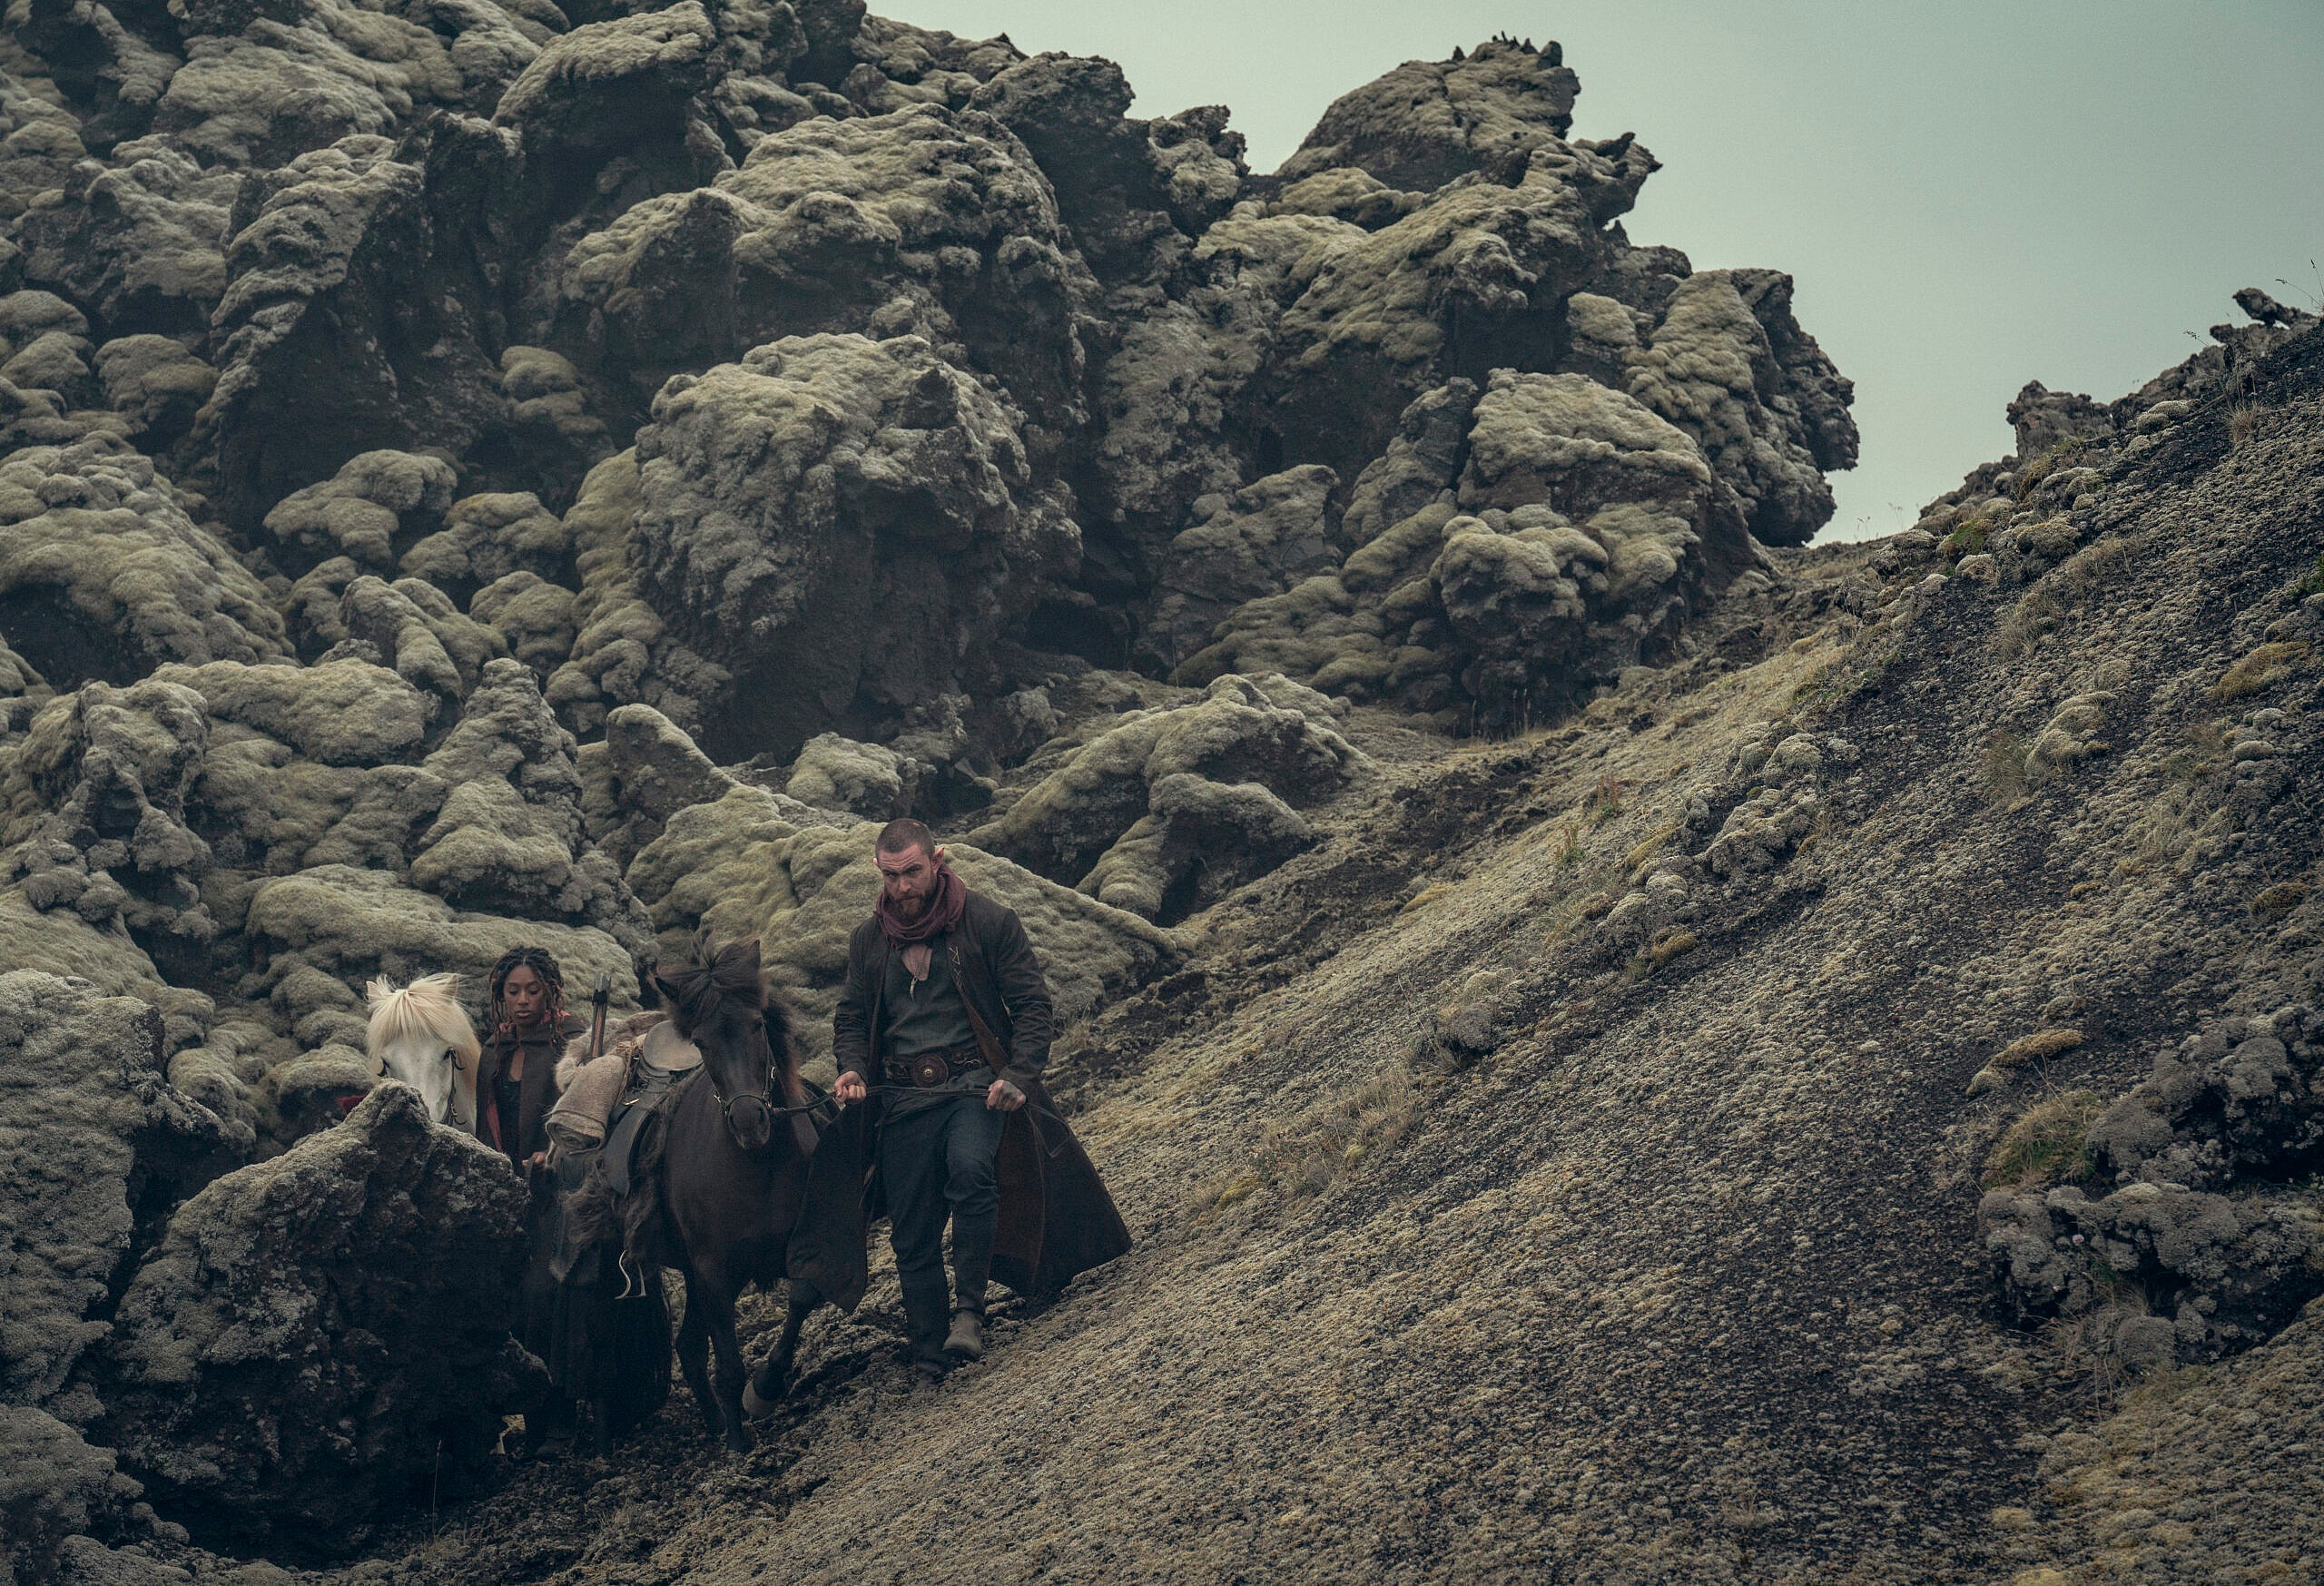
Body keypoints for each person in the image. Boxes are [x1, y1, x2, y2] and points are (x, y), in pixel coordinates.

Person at [833, 819, 1132, 1383]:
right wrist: (851, 1068)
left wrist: (1019, 1073)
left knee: (972, 1174)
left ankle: (969, 1312)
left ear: (938, 859)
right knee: (910, 1227)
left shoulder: (989, 921)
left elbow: (1033, 1005)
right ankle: (927, 1347)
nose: (903, 887)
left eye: (913, 872)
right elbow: (851, 1018)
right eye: (891, 876)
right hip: (902, 1100)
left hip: (975, 1088)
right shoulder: (867, 941)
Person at [474, 946, 588, 1454]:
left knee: (549, 1299)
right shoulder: (493, 1052)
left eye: (532, 990)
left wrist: (552, 1154)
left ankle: (561, 1420)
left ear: (551, 991)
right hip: (511, 1200)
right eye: (512, 991)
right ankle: (528, 1423)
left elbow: (586, 1116)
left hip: (563, 1196)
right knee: (511, 1302)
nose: (522, 1001)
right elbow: (486, 1127)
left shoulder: (573, 1041)